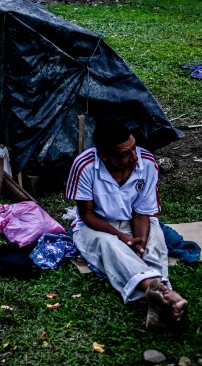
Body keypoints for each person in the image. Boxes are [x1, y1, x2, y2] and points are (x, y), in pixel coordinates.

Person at [66, 119, 187, 331]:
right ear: (104, 156)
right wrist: (123, 238)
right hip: (95, 226)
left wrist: (139, 242)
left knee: (155, 241)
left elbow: (142, 212)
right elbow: (87, 215)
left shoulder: (147, 162)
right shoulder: (84, 165)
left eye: (133, 148)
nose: (133, 158)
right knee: (110, 246)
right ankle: (162, 292)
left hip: (133, 222)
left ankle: (158, 297)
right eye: (124, 154)